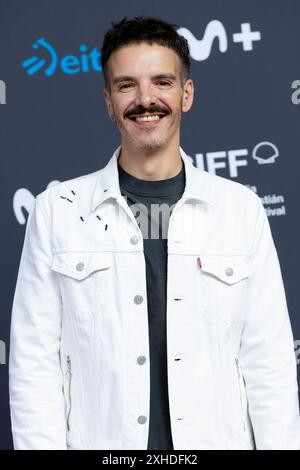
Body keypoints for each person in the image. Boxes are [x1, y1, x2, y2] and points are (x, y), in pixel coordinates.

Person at [9, 16, 300, 450]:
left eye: (162, 82)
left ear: (186, 94)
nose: (146, 99)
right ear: (108, 101)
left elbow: (269, 362)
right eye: (127, 85)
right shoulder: (57, 213)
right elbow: (34, 365)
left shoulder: (240, 210)